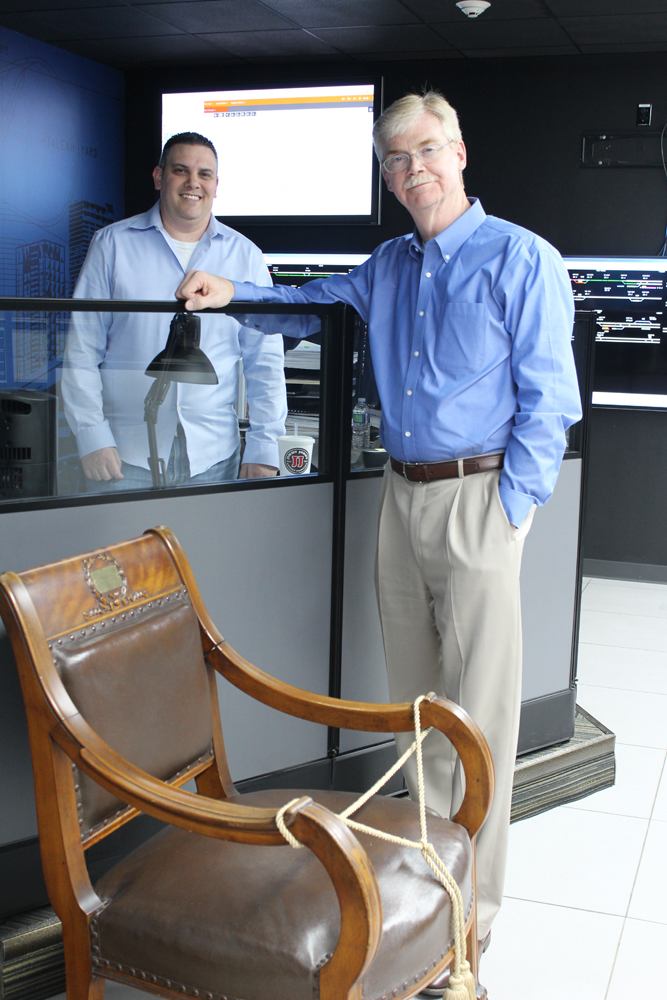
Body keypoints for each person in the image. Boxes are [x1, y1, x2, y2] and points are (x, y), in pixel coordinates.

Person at [174, 93, 582, 996]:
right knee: (419, 712)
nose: (412, 172)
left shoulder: (522, 259)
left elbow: (550, 405)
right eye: (394, 160)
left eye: (426, 151)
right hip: (399, 501)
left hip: (479, 500)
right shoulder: (388, 264)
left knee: (480, 725)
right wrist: (231, 292)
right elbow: (307, 303)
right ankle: (424, 897)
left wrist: (510, 513)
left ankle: (471, 928)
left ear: (460, 151)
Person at [62, 132, 286, 490]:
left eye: (205, 174)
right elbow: (82, 350)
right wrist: (91, 435)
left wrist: (263, 446)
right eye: (181, 170)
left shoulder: (245, 256)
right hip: (122, 456)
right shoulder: (113, 245)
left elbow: (265, 362)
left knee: (210, 549)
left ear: (216, 184)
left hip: (215, 457)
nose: (193, 183)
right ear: (158, 177)